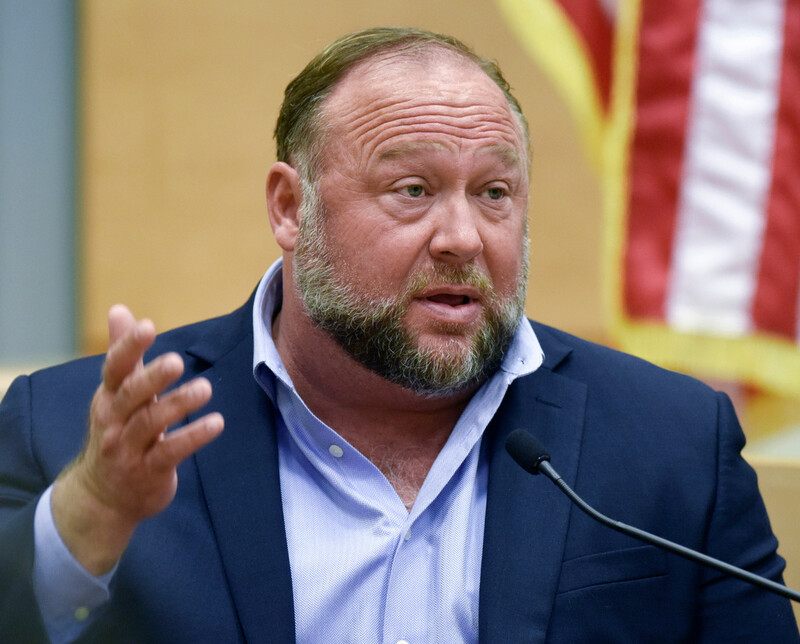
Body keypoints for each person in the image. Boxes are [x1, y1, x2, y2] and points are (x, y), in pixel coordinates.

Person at [0, 26, 797, 644]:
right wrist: (93, 513)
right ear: (289, 207)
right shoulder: (71, 431)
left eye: (493, 193)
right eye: (411, 190)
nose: (464, 237)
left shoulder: (671, 446)